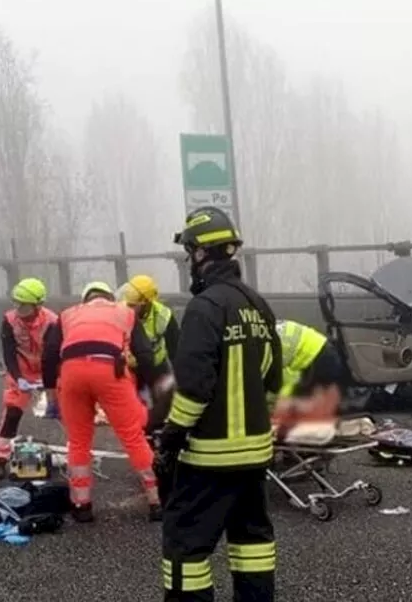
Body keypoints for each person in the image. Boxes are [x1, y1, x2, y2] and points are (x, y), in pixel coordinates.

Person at [158, 207, 282, 602]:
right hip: (255, 454)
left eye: (190, 253)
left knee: (185, 549)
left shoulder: (205, 307)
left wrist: (172, 437)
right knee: (252, 544)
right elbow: (273, 380)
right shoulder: (258, 305)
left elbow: (194, 387)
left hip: (210, 457)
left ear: (200, 254)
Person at [41, 281, 163, 522]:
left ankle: (82, 504)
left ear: (85, 299)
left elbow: (50, 353)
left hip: (71, 372)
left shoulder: (68, 315)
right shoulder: (124, 313)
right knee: (132, 436)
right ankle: (157, 501)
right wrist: (154, 389)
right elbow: (145, 354)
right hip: (109, 370)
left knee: (78, 442)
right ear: (110, 297)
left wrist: (50, 393)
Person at [0, 278, 59, 480]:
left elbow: (53, 355)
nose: (18, 308)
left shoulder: (52, 322)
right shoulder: (9, 320)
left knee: (66, 412)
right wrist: (19, 378)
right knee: (11, 413)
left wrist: (48, 382)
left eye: (24, 305)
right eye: (16, 303)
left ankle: (78, 456)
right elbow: (8, 353)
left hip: (49, 371)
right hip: (21, 372)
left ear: (38, 305)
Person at [117, 274, 180, 433]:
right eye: (128, 305)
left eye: (133, 306)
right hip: (130, 367)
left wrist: (173, 379)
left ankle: (159, 431)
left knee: (163, 402)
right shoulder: (120, 312)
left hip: (156, 366)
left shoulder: (163, 316)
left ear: (146, 304)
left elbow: (176, 350)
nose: (129, 309)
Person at [271, 319, 346, 429]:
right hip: (320, 348)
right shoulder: (260, 335)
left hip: (317, 358)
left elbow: (288, 378)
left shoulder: (263, 353)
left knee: (309, 410)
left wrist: (281, 404)